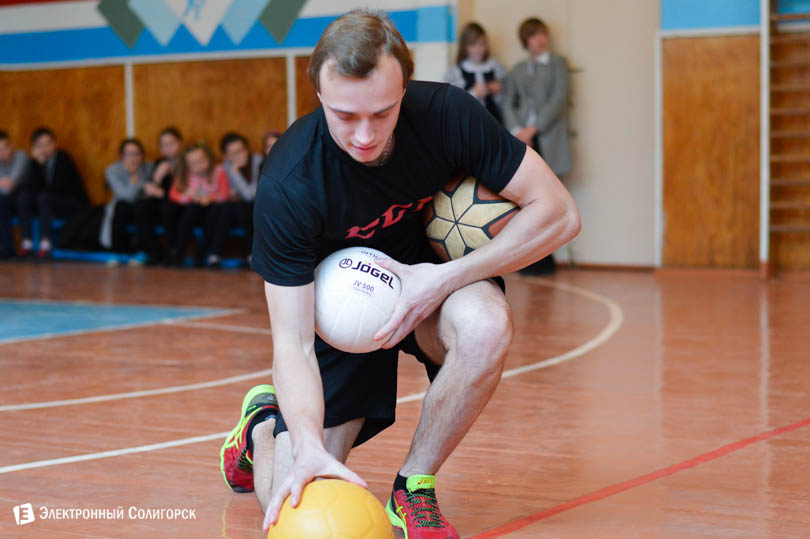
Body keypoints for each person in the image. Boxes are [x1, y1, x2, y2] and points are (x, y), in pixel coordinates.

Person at [218, 10, 580, 539]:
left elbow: (559, 213)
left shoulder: (445, 114)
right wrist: (311, 447)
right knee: (295, 499)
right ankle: (263, 429)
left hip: (434, 279)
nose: (364, 135)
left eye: (383, 113)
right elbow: (291, 343)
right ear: (318, 94)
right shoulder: (290, 182)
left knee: (485, 325)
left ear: (404, 88)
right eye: (344, 116)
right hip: (338, 313)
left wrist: (446, 277)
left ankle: (414, 487)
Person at [503, 18, 572, 275]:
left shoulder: (558, 64)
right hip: (523, 140)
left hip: (548, 138)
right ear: (526, 41)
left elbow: (558, 100)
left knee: (550, 201)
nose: (540, 39)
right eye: (533, 35)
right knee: (525, 201)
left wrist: (534, 129)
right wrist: (518, 132)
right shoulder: (518, 69)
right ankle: (528, 260)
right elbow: (508, 101)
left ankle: (547, 261)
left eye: (542, 33)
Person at [16, 127, 88, 259]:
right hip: (47, 203)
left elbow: (57, 188)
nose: (45, 148)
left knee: (44, 198)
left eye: (48, 143)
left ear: (55, 143)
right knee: (24, 197)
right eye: (40, 145)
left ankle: (46, 244)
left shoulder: (63, 158)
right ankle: (27, 244)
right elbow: (31, 189)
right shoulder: (35, 163)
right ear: (34, 147)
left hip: (71, 203)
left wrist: (42, 166)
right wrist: (39, 165)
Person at [204, 132, 262, 268]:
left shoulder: (258, 161)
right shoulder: (225, 166)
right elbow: (222, 192)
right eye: (233, 153)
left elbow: (250, 195)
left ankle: (252, 254)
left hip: (256, 207)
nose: (240, 155)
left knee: (241, 208)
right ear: (226, 156)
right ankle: (215, 255)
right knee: (226, 208)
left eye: (242, 150)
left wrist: (236, 173)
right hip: (233, 209)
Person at [166, 143, 229, 266]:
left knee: (217, 212)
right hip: (192, 211)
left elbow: (224, 195)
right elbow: (173, 195)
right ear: (187, 166)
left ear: (209, 158)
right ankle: (178, 252)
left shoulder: (219, 171)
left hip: (212, 211)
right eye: (194, 163)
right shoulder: (184, 175)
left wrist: (210, 198)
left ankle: (203, 254)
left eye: (202, 160)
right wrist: (190, 198)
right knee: (190, 211)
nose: (199, 165)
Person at [134, 127, 183, 265]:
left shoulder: (186, 161)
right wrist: (157, 177)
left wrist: (162, 193)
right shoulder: (159, 163)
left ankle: (173, 251)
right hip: (161, 201)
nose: (168, 148)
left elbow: (185, 189)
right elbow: (150, 186)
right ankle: (153, 251)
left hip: (179, 202)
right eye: (164, 145)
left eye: (171, 143)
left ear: (179, 143)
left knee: (168, 207)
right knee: (142, 207)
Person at [444, 22, 506, 122]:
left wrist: (498, 93)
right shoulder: (454, 72)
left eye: (482, 43)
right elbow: (450, 106)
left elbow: (511, 105)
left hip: (495, 124)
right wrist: (473, 94)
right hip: (468, 125)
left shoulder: (497, 68)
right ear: (464, 47)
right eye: (473, 44)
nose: (479, 49)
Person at [100, 138, 152, 255]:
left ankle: (142, 251)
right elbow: (126, 195)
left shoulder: (148, 167)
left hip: (143, 208)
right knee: (120, 207)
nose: (133, 158)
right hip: (124, 207)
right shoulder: (113, 170)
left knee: (142, 208)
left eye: (136, 154)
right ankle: (117, 251)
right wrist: (135, 181)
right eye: (129, 154)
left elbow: (152, 191)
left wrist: (138, 178)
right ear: (122, 156)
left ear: (142, 155)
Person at [0, 131, 29, 258]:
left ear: (11, 146)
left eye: (4, 148)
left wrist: (4, 183)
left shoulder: (21, 156)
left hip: (26, 198)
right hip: (6, 200)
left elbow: (10, 186)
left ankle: (25, 246)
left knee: (21, 199)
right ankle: (7, 247)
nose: (2, 153)